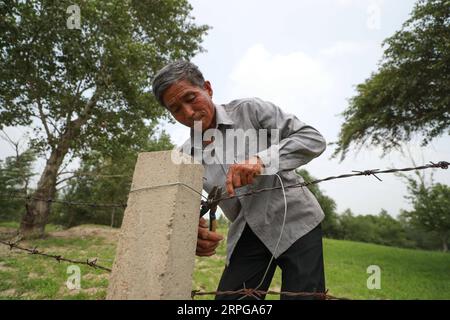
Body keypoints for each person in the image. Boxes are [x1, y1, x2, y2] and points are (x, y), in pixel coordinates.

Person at [152, 60, 327, 300]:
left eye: (191, 98)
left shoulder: (250, 110)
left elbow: (313, 139)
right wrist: (192, 233)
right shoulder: (185, 156)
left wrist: (261, 160)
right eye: (176, 109)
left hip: (296, 219)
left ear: (208, 88)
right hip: (247, 231)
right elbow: (184, 211)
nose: (188, 113)